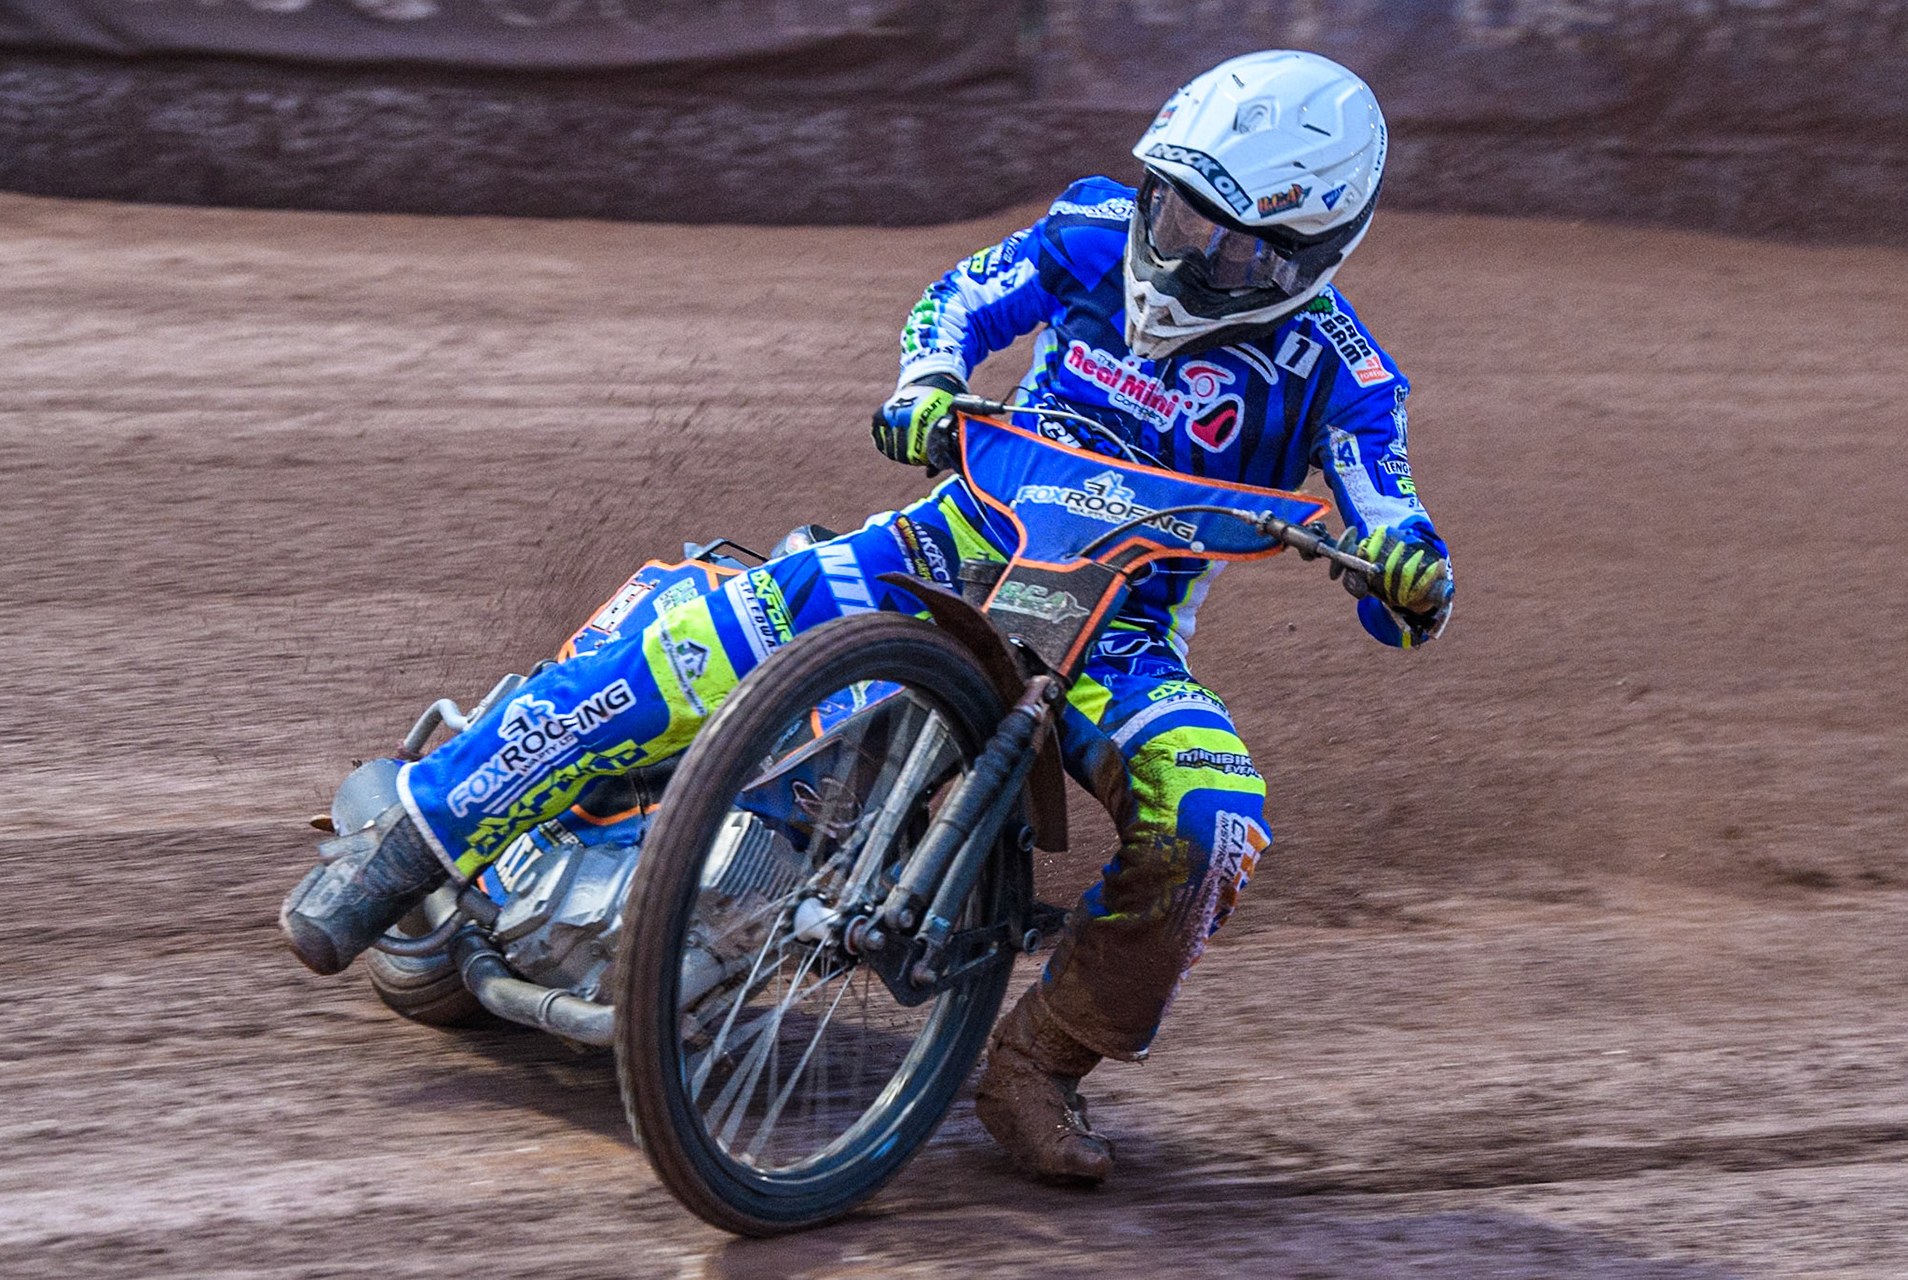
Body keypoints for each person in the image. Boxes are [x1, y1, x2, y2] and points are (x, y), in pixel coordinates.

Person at [280, 49, 1451, 1185]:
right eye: (1179, 211)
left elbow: (1394, 520)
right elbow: (963, 297)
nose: (1187, 250)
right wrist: (926, 381)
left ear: (1318, 248)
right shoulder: (1093, 229)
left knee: (1213, 824)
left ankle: (1039, 1062)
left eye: (1231, 241)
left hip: (1119, 641)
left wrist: (1409, 571)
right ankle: (415, 845)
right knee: (704, 633)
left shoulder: (1345, 374)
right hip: (950, 543)